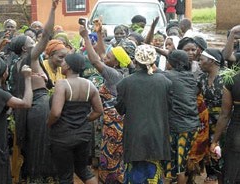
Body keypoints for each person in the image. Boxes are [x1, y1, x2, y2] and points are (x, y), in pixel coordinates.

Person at [8, 0, 59, 182]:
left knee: (33, 144)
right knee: (43, 144)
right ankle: (41, 178)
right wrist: (52, 10)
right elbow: (46, 35)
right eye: (32, 41)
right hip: (38, 104)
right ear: (25, 48)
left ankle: (32, 177)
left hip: (27, 108)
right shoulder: (31, 57)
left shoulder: (15, 64)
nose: (35, 42)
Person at [80, 22, 131, 183]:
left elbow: (95, 61)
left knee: (112, 154)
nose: (105, 58)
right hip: (118, 120)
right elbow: (102, 54)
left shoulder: (114, 75)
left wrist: (86, 37)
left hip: (113, 123)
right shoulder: (122, 70)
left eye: (109, 58)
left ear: (115, 62)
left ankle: (113, 180)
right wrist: (99, 34)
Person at [115, 45, 172, 183]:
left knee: (134, 172)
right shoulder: (165, 82)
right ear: (154, 61)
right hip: (157, 133)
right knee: (153, 171)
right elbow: (169, 107)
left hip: (135, 135)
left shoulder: (125, 83)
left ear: (135, 61)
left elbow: (120, 109)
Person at [47, 53, 103, 184]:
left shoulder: (62, 84)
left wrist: (48, 123)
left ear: (68, 66)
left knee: (65, 176)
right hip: (83, 135)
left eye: (63, 62)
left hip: (62, 137)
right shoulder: (90, 85)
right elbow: (98, 111)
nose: (61, 64)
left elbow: (55, 113)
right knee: (83, 170)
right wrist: (84, 120)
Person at [163, 50, 200, 184]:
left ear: (172, 63)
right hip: (192, 126)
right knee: (182, 162)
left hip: (178, 127)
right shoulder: (191, 76)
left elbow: (152, 71)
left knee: (177, 165)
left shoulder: (167, 75)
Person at [198, 48, 225, 183]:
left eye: (202, 59)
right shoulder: (201, 78)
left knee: (221, 146)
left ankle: (222, 173)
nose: (199, 62)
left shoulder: (227, 78)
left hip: (224, 120)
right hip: (206, 120)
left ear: (212, 61)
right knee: (207, 145)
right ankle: (211, 173)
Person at [210, 71, 240, 183]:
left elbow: (224, 114)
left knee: (233, 173)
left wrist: (214, 141)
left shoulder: (232, 80)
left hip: (236, 135)